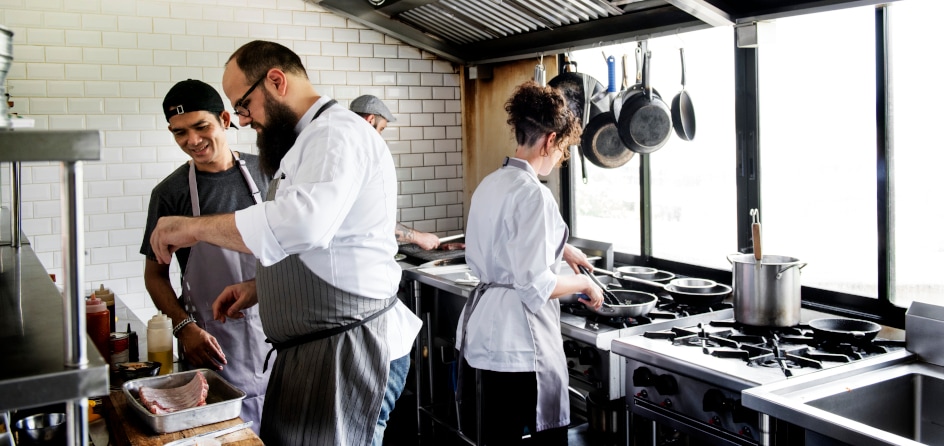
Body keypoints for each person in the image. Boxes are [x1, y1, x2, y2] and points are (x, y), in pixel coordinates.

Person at [148, 40, 422, 446]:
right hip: (319, 348)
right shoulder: (306, 142)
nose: (244, 120)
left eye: (244, 106)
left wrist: (193, 229)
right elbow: (322, 247)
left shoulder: (335, 134)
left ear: (276, 81)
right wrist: (261, 287)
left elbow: (303, 225)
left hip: (349, 346)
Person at [455, 81, 605, 445]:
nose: (560, 158)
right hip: (520, 346)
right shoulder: (535, 195)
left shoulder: (491, 183)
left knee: (495, 438)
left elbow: (508, 241)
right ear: (550, 141)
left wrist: (563, 249)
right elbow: (537, 285)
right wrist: (585, 283)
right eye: (563, 150)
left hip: (484, 337)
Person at [140, 79, 271, 430]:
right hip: (213, 345)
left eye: (201, 127)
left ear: (225, 119)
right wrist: (184, 328)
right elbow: (154, 275)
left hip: (277, 334)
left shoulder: (269, 172)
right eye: (179, 132)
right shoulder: (170, 193)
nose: (192, 140)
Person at [350, 94, 442, 251]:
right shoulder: (363, 158)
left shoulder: (347, 151)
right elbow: (375, 220)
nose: (380, 136)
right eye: (381, 129)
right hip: (361, 255)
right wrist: (419, 238)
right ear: (370, 120)